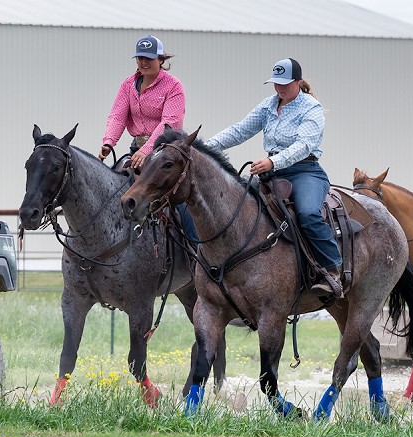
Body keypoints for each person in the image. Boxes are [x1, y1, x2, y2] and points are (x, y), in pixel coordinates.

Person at [203, 57, 342, 298]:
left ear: (298, 82)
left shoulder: (311, 108)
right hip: (272, 173)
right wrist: (203, 147)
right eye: (276, 83)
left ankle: (332, 269)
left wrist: (272, 161)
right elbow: (241, 130)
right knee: (237, 209)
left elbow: (304, 145)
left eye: (285, 83)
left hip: (305, 172)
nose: (279, 88)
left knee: (308, 214)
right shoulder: (268, 105)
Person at [98, 35, 186, 169]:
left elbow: (170, 122)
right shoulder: (127, 85)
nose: (144, 62)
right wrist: (109, 142)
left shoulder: (174, 86)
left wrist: (146, 149)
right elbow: (117, 117)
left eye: (149, 58)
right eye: (140, 58)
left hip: (165, 151)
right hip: (137, 149)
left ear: (160, 59)